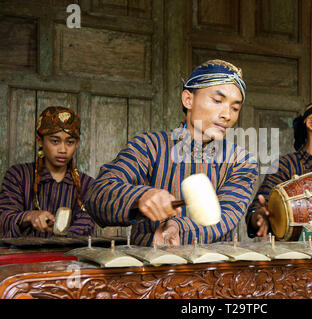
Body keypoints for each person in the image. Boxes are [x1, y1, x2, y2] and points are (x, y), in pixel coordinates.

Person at [85, 59, 259, 246]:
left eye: (235, 108)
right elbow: (98, 194)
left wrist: (176, 227)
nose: (227, 115)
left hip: (212, 270)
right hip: (149, 271)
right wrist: (139, 197)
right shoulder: (148, 146)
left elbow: (225, 216)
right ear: (188, 99)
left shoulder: (241, 161)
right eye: (218, 101)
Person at [246, 100, 312, 238]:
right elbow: (257, 209)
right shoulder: (284, 165)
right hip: (293, 255)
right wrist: (260, 216)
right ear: (311, 123)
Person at [0, 106, 95, 238]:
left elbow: (85, 226)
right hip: (22, 257)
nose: (63, 149)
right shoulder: (18, 176)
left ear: (77, 143)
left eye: (70, 142)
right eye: (55, 141)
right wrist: (29, 216)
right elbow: (5, 218)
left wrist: (58, 240)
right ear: (39, 141)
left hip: (67, 257)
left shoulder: (87, 185)